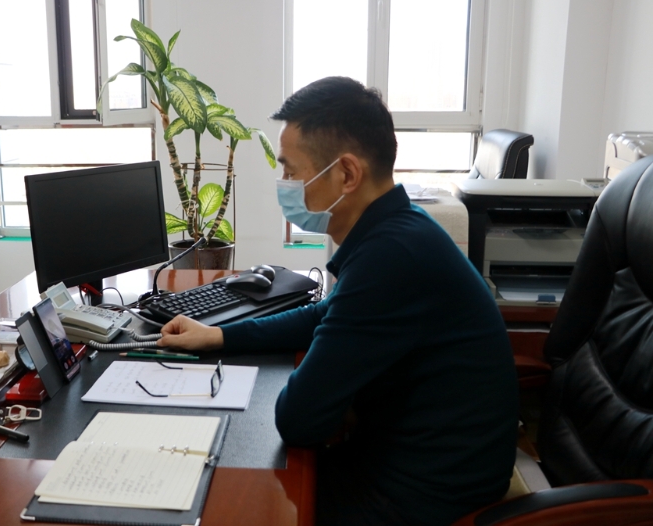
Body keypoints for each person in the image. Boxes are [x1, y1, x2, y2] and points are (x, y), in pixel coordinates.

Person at [157, 76, 518, 525]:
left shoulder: (391, 257)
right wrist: (218, 335)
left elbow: (299, 419)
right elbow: (326, 314)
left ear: (346, 174)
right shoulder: (402, 228)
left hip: (424, 495)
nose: (284, 183)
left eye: (291, 171)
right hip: (410, 461)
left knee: (233, 502)